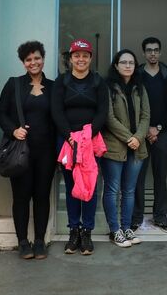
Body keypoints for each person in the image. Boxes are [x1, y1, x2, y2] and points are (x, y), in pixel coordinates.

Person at [0, 40, 56, 260]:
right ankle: (22, 242)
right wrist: (13, 131)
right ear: (23, 63)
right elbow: (1, 114)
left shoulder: (54, 87)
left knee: (42, 196)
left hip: (47, 152)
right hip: (21, 152)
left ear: (43, 59)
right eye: (29, 59)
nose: (34, 62)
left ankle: (39, 241)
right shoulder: (13, 84)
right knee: (21, 197)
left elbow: (58, 117)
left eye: (37, 58)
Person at [51, 38, 109, 255]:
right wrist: (70, 136)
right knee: (72, 186)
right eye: (77, 55)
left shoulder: (98, 82)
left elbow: (103, 111)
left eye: (85, 55)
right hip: (67, 141)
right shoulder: (62, 81)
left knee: (91, 187)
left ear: (90, 58)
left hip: (90, 140)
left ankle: (87, 232)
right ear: (71, 58)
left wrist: (87, 134)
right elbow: (56, 111)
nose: (81, 59)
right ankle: (73, 231)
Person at [101, 49, 149, 248]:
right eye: (124, 62)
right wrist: (129, 137)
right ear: (116, 65)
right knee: (112, 190)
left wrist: (138, 138)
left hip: (136, 147)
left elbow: (146, 116)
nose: (128, 66)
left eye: (131, 62)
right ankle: (115, 230)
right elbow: (108, 118)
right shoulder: (108, 87)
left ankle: (127, 228)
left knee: (129, 190)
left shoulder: (140, 87)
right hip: (114, 146)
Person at [132, 37, 167, 232]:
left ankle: (160, 216)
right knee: (138, 178)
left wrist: (157, 128)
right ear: (144, 53)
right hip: (140, 133)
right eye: (149, 50)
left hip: (163, 133)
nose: (153, 53)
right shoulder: (137, 75)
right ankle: (136, 218)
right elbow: (134, 105)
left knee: (161, 176)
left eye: (156, 50)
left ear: (160, 52)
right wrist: (145, 129)